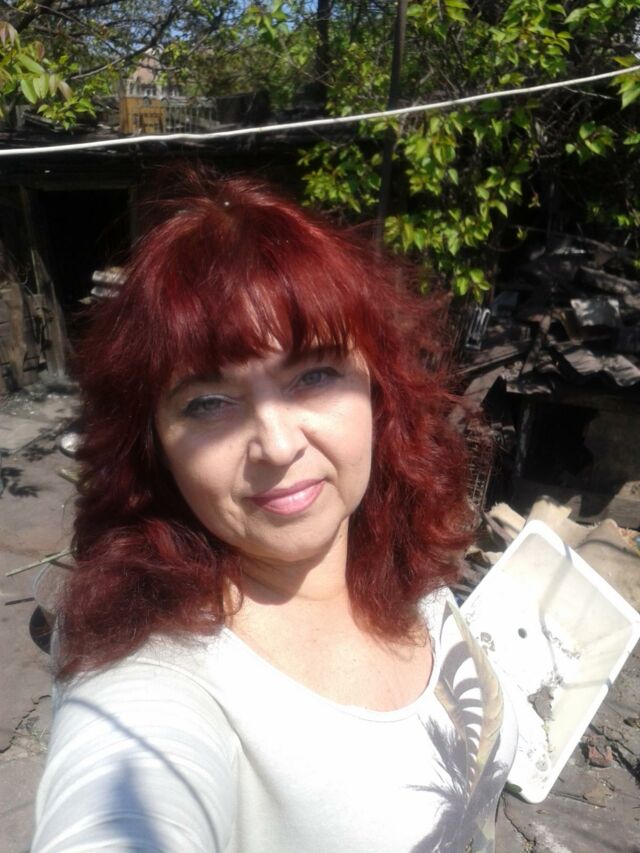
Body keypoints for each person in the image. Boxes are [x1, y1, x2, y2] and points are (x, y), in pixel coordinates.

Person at [32, 170, 517, 853]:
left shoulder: (399, 566)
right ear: (154, 445)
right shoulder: (156, 673)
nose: (280, 444)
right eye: (208, 403)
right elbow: (117, 805)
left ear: (378, 391)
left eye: (314, 375)